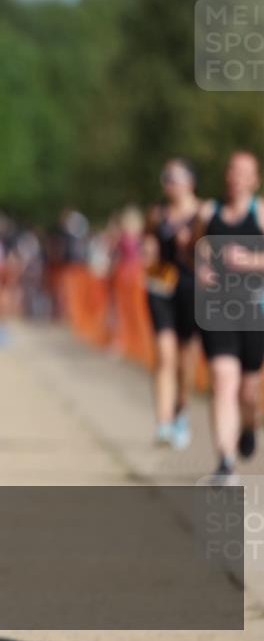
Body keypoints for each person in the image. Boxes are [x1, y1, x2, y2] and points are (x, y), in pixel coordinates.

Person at [193, 150, 263, 479]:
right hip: (217, 307)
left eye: (244, 172)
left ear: (255, 180)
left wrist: (249, 261)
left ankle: (249, 426)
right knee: (223, 381)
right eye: (232, 170)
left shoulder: (260, 213)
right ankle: (225, 462)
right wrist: (201, 265)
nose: (236, 177)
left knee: (248, 391)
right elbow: (194, 248)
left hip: (253, 309)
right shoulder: (209, 212)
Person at [142, 159, 201, 449]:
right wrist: (148, 252)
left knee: (185, 357)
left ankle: (181, 408)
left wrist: (191, 244)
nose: (169, 182)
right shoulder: (157, 214)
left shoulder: (203, 213)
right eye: (166, 177)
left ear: (191, 181)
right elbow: (149, 247)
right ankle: (163, 423)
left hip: (192, 287)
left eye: (175, 177)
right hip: (161, 285)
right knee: (164, 354)